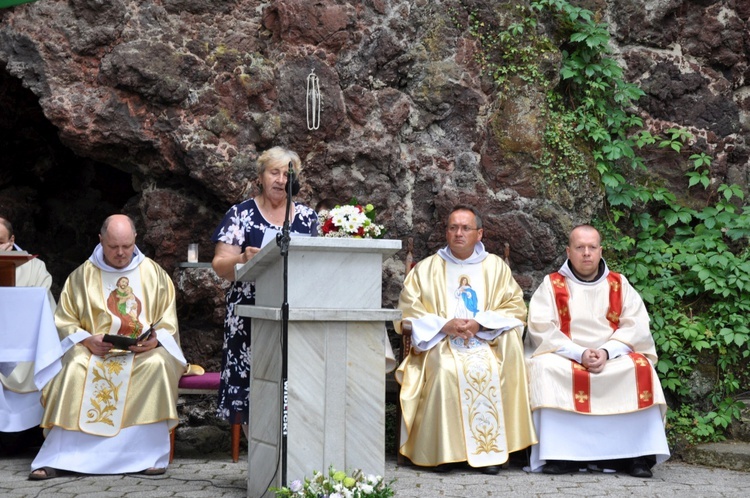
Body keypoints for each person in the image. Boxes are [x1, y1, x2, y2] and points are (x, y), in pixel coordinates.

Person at [28, 214, 187, 480]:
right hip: (94, 352)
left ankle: (146, 457)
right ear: (101, 240)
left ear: (135, 239)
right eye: (114, 247)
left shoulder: (154, 274)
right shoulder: (82, 276)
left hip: (141, 354)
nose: (121, 253)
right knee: (74, 366)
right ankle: (60, 457)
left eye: (126, 245)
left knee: (158, 364)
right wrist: (85, 339)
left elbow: (168, 323)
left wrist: (155, 339)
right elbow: (64, 321)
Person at [394, 205, 537, 475]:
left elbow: (515, 308)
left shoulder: (495, 267)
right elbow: (407, 312)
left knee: (493, 368)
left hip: (486, 340)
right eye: (453, 228)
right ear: (446, 232)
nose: (458, 233)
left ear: (479, 233)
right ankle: (446, 452)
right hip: (440, 342)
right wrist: (443, 325)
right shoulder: (426, 269)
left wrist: (480, 323)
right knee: (447, 371)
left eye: (465, 228)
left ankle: (491, 453)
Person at [525, 224, 670, 477]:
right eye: (580, 248)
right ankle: (560, 456)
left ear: (601, 250)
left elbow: (636, 326)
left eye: (592, 247)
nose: (587, 253)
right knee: (545, 368)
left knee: (640, 367)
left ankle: (635, 457)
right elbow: (540, 328)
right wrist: (578, 354)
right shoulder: (552, 285)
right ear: (568, 251)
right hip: (565, 355)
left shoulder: (619, 284)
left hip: (611, 356)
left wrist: (606, 351)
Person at [211, 146, 318, 436]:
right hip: (249, 317)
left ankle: (292, 456)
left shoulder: (307, 218)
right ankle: (261, 456)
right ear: (260, 176)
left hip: (293, 311)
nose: (281, 180)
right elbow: (220, 265)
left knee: (295, 382)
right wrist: (242, 260)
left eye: (287, 174)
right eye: (275, 172)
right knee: (252, 386)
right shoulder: (240, 214)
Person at [0, 216, 55, 450]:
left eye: (0, 241)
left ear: (11, 241)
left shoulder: (34, 267)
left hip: (27, 345)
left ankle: (32, 436)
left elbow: (44, 309)